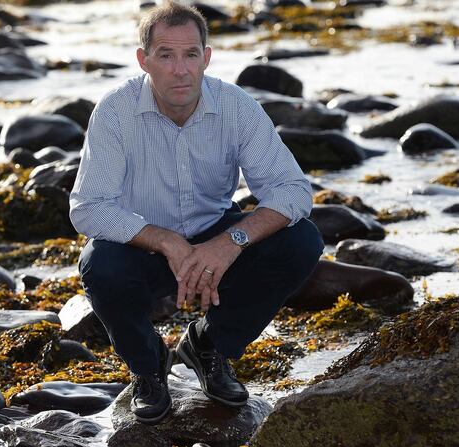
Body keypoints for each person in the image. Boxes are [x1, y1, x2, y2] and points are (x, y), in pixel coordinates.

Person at [69, 2, 323, 424]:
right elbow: (88, 207)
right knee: (101, 265)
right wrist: (166, 240)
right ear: (144, 60)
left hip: (213, 237)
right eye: (166, 55)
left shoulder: (236, 107)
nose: (180, 70)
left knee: (301, 240)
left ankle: (210, 346)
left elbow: (292, 190)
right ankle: (149, 370)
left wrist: (230, 242)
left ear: (206, 57)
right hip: (142, 246)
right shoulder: (115, 112)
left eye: (191, 54)